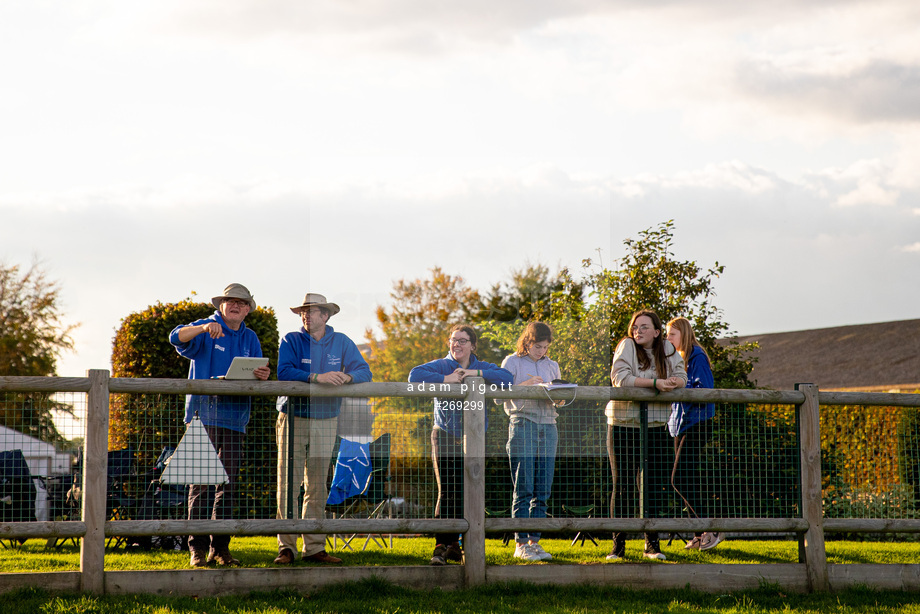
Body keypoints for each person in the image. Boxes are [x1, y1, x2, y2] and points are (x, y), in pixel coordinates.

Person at [168, 282, 270, 568]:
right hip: (203, 417)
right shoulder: (208, 326)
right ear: (220, 306)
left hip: (236, 419)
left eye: (241, 302)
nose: (235, 305)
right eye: (230, 301)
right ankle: (196, 550)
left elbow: (256, 371)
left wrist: (262, 373)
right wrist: (201, 329)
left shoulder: (251, 337)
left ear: (248, 309)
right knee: (200, 484)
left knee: (228, 486)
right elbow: (175, 337)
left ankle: (220, 549)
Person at [273, 293, 372, 565]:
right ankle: (286, 549)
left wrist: (348, 376)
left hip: (327, 418)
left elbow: (365, 371)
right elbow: (284, 371)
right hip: (293, 417)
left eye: (312, 311)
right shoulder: (291, 340)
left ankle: (314, 547)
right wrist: (318, 378)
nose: (306, 315)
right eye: (303, 311)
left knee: (317, 485)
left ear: (325, 316)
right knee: (288, 485)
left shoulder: (342, 342)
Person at [408, 324, 513, 566]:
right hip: (444, 434)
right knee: (448, 490)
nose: (457, 344)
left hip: (474, 437)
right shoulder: (441, 365)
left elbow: (507, 378)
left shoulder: (481, 367)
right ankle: (441, 546)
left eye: (463, 340)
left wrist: (475, 375)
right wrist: (447, 379)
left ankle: (463, 547)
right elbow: (414, 376)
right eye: (454, 340)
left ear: (473, 346)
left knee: (471, 491)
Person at [605, 309, 686, 561]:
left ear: (657, 331)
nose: (637, 331)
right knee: (624, 485)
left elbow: (682, 377)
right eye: (635, 326)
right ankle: (618, 546)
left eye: (643, 327)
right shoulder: (626, 345)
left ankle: (652, 545)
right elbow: (620, 378)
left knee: (653, 487)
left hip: (655, 427)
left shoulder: (667, 349)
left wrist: (671, 382)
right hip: (623, 425)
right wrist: (654, 384)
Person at [501, 322, 561, 562]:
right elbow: (498, 397)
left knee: (543, 487)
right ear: (527, 341)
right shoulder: (511, 362)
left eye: (545, 347)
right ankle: (520, 542)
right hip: (522, 423)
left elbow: (560, 397)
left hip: (549, 426)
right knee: (523, 485)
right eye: (538, 346)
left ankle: (534, 543)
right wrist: (525, 386)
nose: (541, 351)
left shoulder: (552, 365)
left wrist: (559, 398)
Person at [666, 317, 721, 551]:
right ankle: (698, 534)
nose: (667, 338)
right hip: (680, 424)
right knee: (688, 479)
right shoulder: (678, 358)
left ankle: (711, 528)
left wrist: (679, 386)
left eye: (671, 334)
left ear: (684, 335)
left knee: (679, 478)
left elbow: (704, 390)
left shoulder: (697, 356)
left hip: (697, 422)